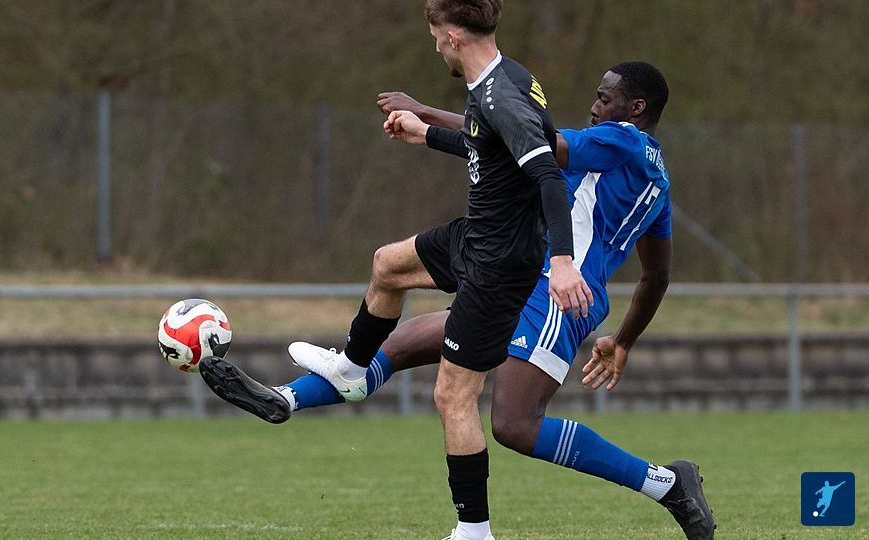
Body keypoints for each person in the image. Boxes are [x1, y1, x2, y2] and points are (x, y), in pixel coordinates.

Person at [201, 61, 717, 540]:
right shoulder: (652, 177)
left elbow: (521, 138)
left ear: (636, 108)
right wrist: (623, 341)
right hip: (525, 276)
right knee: (402, 343)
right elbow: (657, 274)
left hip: (556, 293)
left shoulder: (620, 140)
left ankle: (666, 484)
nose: (594, 106)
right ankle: (285, 399)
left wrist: (426, 116)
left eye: (604, 98)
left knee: (515, 425)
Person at [247, 3, 588, 539]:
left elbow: (547, 172)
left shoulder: (501, 96)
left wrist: (563, 262)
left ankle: (473, 531)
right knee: (388, 264)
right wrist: (423, 132)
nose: (434, 48)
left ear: (452, 37)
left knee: (453, 396)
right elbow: (485, 145)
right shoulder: (503, 77)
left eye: (434, 38)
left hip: (500, 266)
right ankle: (352, 369)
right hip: (476, 237)